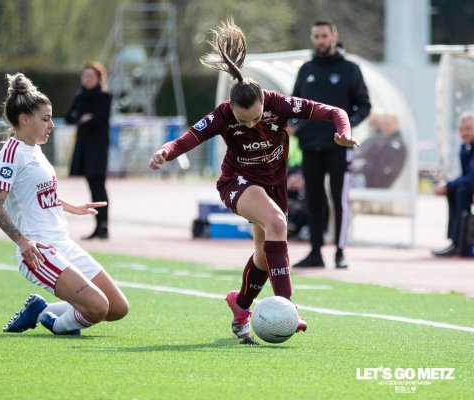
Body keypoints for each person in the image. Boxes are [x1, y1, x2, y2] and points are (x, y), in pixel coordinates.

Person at [148, 20, 359, 344]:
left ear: (264, 102)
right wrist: (165, 151)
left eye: (257, 117)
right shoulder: (221, 115)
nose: (251, 124)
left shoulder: (280, 103)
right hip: (238, 180)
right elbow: (188, 139)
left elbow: (334, 111)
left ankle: (241, 303)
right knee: (276, 223)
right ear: (231, 108)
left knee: (264, 255)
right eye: (243, 120)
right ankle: (288, 308)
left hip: (273, 185)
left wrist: (344, 133)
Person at [0, 73, 128, 336]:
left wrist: (71, 207)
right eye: (46, 118)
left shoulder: (36, 150)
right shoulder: (10, 154)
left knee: (117, 308)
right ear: (24, 119)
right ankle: (58, 324)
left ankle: (40, 311)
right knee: (97, 308)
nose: (52, 125)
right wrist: (23, 242)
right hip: (39, 251)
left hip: (63, 244)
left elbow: (35, 194)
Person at [291, 20, 371, 269]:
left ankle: (340, 252)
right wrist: (295, 125)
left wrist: (347, 126)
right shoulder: (306, 70)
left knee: (339, 199)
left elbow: (364, 105)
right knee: (313, 200)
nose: (320, 40)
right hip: (310, 145)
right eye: (316, 36)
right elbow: (295, 104)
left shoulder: (349, 69)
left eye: (324, 35)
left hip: (338, 146)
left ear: (334, 36)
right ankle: (315, 252)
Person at [64, 61, 112, 239]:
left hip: (98, 147)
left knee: (99, 185)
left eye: (91, 76)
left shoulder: (104, 96)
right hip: (84, 145)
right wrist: (83, 118)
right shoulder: (80, 96)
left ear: (99, 78)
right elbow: (70, 117)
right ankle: (98, 226)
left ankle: (104, 226)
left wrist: (84, 118)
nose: (88, 79)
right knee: (92, 185)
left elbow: (99, 119)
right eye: (85, 76)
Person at [432, 112, 474, 257]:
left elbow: (472, 176)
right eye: (462, 129)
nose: (464, 133)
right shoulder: (464, 148)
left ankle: (462, 242)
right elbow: (466, 175)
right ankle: (456, 241)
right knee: (456, 190)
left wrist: (448, 185)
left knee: (461, 189)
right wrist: (449, 187)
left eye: (468, 129)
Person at [350, 113, 406, 188]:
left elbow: (384, 169)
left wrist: (365, 168)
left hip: (376, 183)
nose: (385, 127)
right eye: (383, 124)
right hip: (369, 179)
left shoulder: (395, 145)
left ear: (396, 125)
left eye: (388, 124)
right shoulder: (380, 140)